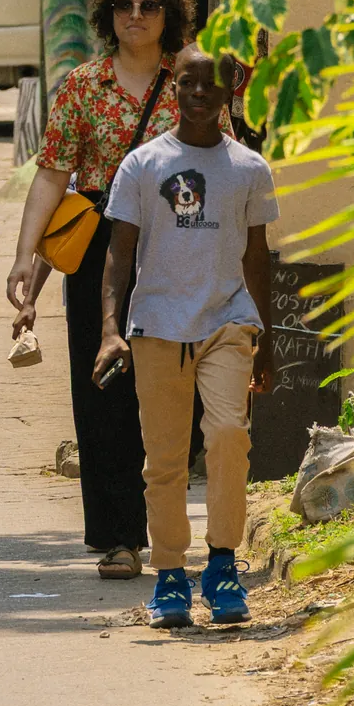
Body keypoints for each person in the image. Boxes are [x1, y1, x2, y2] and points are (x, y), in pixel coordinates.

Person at [5, 0, 203, 581]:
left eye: (149, 5)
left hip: (179, 243)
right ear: (108, 14)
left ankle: (165, 508)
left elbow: (221, 164)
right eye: (125, 6)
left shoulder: (192, 82)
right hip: (98, 249)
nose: (136, 16)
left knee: (185, 385)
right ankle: (120, 536)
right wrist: (22, 258)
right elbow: (53, 174)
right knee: (105, 393)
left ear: (168, 14)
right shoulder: (82, 86)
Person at [95, 42, 276, 627]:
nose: (200, 94)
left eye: (212, 86)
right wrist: (109, 330)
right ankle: (171, 575)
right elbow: (119, 254)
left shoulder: (248, 168)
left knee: (227, 435)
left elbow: (257, 255)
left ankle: (222, 565)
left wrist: (266, 335)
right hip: (158, 327)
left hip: (228, 320)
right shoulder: (142, 165)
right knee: (165, 459)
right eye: (190, 83)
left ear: (229, 95)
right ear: (174, 86)